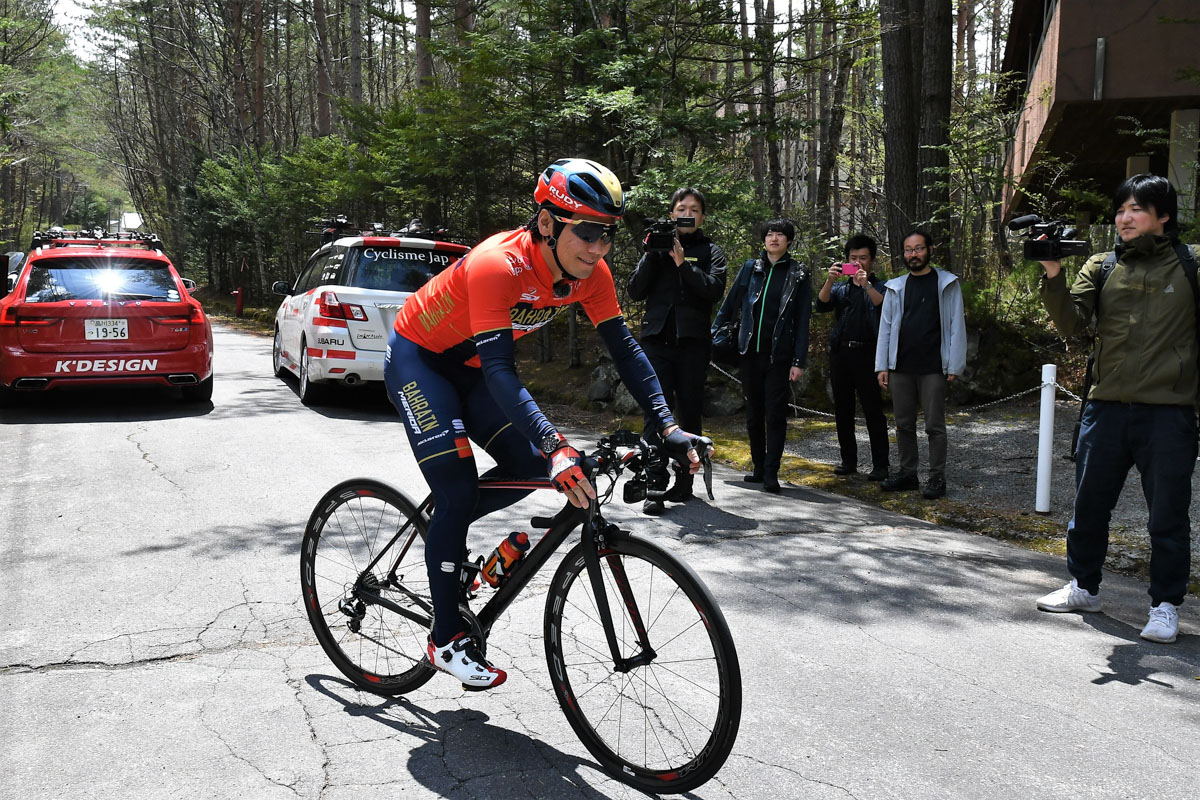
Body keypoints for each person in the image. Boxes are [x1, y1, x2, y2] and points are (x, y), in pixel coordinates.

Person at [384, 158, 710, 689]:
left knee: (522, 465)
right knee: (462, 485)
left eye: (606, 234)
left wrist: (668, 426)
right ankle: (443, 638)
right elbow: (499, 369)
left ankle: (447, 526)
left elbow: (626, 350)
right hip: (421, 360)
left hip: (471, 371)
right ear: (546, 223)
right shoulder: (497, 265)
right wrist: (556, 444)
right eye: (586, 232)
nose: (598, 248)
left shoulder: (592, 273)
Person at [1034, 173, 1197, 644]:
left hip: (1169, 412)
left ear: (1163, 216)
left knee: (1167, 514)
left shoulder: (1190, 265)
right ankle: (1084, 586)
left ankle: (1165, 605)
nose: (1124, 218)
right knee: (1088, 505)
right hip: (1104, 407)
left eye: (1136, 209)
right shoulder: (1102, 265)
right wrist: (1052, 273)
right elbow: (1073, 325)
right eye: (1121, 209)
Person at [627, 187, 727, 514]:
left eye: (694, 209)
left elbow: (713, 290)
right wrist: (652, 253)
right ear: (672, 214)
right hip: (656, 341)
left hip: (693, 345)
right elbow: (635, 291)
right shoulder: (656, 246)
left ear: (702, 216)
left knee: (688, 411)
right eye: (681, 208)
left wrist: (684, 265)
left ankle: (684, 481)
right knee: (655, 412)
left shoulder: (711, 251)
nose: (687, 213)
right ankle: (654, 486)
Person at [710, 218, 812, 493]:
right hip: (748, 353)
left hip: (778, 355)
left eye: (780, 234)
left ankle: (771, 472)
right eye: (770, 234)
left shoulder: (798, 273)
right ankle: (757, 467)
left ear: (789, 240)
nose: (774, 238)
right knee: (753, 413)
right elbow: (730, 304)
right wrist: (713, 334)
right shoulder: (750, 268)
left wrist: (798, 361)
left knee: (775, 415)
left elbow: (803, 320)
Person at [873, 229, 967, 500]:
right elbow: (886, 328)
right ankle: (907, 473)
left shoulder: (947, 283)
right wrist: (882, 365)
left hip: (933, 367)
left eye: (918, 249)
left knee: (935, 425)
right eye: (908, 250)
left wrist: (954, 365)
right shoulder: (896, 286)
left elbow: (956, 326)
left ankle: (937, 478)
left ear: (930, 250)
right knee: (903, 423)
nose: (913, 254)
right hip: (900, 366)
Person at [815, 233, 890, 481]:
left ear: (872, 260)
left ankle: (881, 465)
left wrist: (866, 284)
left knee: (873, 411)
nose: (858, 263)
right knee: (843, 410)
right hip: (841, 353)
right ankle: (848, 460)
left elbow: (882, 305)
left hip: (869, 353)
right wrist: (829, 279)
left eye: (863, 258)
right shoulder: (841, 288)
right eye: (853, 258)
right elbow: (822, 304)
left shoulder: (881, 286)